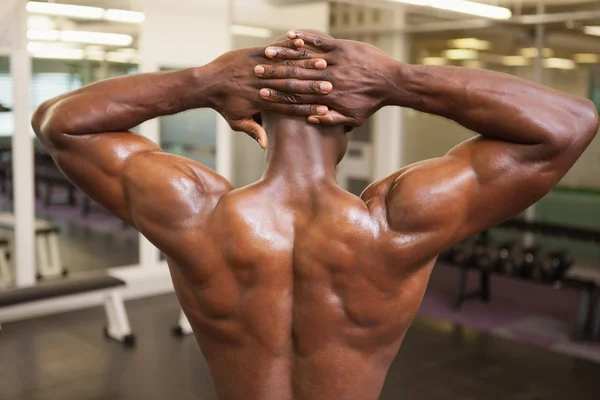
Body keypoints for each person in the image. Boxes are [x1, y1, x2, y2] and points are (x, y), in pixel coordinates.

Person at [32, 30, 598, 400]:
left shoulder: (197, 215)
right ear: (354, 118)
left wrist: (203, 82)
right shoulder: (397, 222)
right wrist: (396, 81)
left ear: (251, 118)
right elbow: (570, 123)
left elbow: (60, 123)